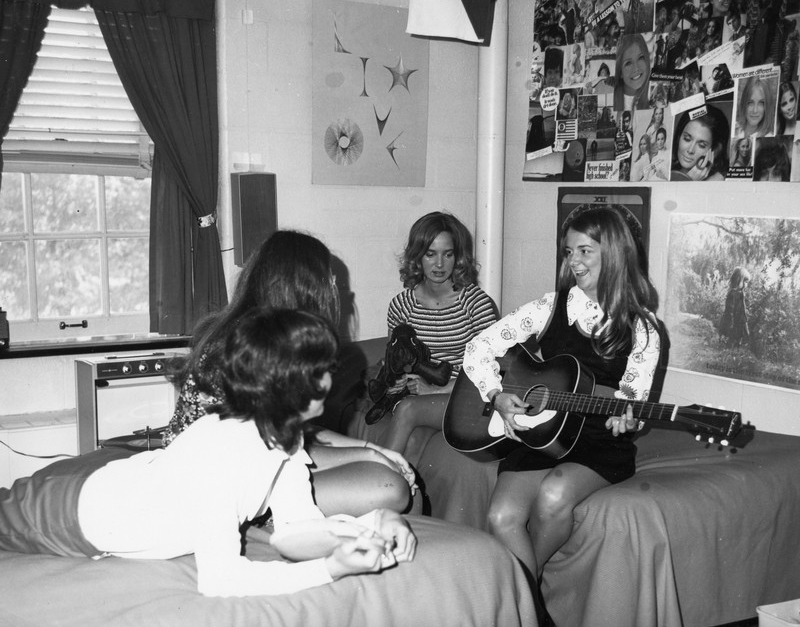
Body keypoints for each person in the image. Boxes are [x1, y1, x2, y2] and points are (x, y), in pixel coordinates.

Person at [0, 309, 417, 597]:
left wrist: (372, 524)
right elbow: (220, 581)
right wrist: (332, 569)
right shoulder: (226, 452)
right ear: (292, 382)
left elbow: (294, 534)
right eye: (323, 369)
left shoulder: (282, 436)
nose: (333, 376)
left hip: (121, 480)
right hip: (73, 514)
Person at [462, 207, 662, 583]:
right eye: (569, 252)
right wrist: (496, 395)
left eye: (585, 250)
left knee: (554, 496)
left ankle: (522, 602)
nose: (574, 261)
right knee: (500, 517)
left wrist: (628, 419)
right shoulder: (549, 307)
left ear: (615, 253)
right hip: (543, 434)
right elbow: (477, 348)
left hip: (598, 442)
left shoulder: (643, 327)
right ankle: (532, 607)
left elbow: (633, 397)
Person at [162, 230, 416, 517]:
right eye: (328, 278)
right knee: (389, 486)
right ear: (304, 286)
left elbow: (294, 431)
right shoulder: (247, 349)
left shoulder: (267, 339)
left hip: (252, 469)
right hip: (216, 486)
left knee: (394, 481)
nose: (335, 287)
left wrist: (372, 447)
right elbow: (278, 446)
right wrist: (370, 454)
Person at [373, 212, 497, 457]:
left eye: (448, 254)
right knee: (412, 441)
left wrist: (435, 390)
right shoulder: (402, 305)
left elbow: (492, 369)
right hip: (421, 396)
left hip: (467, 394)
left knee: (408, 410)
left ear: (458, 257)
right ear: (417, 256)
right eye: (430, 254)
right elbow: (394, 362)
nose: (439, 264)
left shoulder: (475, 303)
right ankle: (402, 492)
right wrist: (395, 381)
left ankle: (374, 484)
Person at [671, 105, 729, 181]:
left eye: (701, 145)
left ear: (716, 149)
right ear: (679, 136)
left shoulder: (717, 180)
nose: (690, 150)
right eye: (687, 139)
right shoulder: (664, 171)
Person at [614, 33, 652, 112]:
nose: (636, 68)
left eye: (641, 58)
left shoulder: (653, 97)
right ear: (620, 71)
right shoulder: (614, 101)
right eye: (628, 63)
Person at [719, 266, 750, 346]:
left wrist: (745, 321)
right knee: (731, 340)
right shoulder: (733, 294)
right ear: (739, 280)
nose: (746, 284)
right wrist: (730, 324)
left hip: (740, 321)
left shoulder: (741, 293)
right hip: (733, 322)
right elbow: (729, 310)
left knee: (740, 341)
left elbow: (742, 308)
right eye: (745, 282)